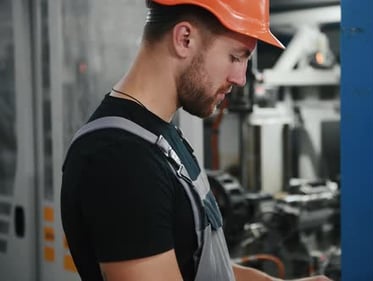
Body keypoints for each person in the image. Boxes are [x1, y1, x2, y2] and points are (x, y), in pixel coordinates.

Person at [60, 1, 333, 281]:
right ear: (184, 39)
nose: (240, 79)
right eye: (236, 57)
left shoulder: (160, 137)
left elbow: (198, 267)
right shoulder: (120, 159)